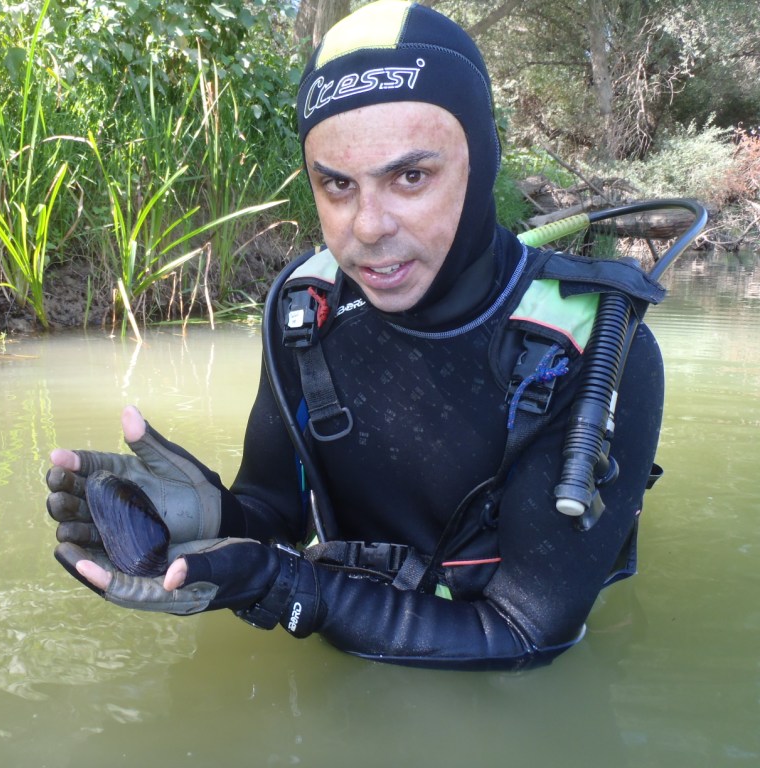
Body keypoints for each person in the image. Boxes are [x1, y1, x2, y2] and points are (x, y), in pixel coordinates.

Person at [45, 0, 668, 670]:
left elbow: (525, 635)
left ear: (482, 162)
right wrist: (216, 519)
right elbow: (276, 518)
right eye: (336, 185)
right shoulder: (303, 312)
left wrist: (292, 590)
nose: (368, 227)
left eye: (410, 176)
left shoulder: (593, 349)